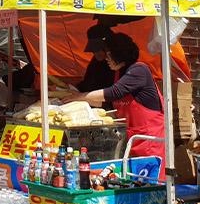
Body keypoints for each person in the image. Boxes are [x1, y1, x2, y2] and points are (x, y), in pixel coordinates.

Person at [65, 32, 164, 160]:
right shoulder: (119, 74)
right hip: (131, 138)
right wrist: (80, 103)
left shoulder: (139, 70)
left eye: (109, 54)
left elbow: (113, 93)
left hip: (149, 138)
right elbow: (109, 103)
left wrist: (80, 96)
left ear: (120, 53)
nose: (106, 58)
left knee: (149, 178)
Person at [78, 23, 115, 92]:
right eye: (93, 50)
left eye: (98, 49)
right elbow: (87, 82)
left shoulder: (117, 64)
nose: (95, 53)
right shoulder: (95, 61)